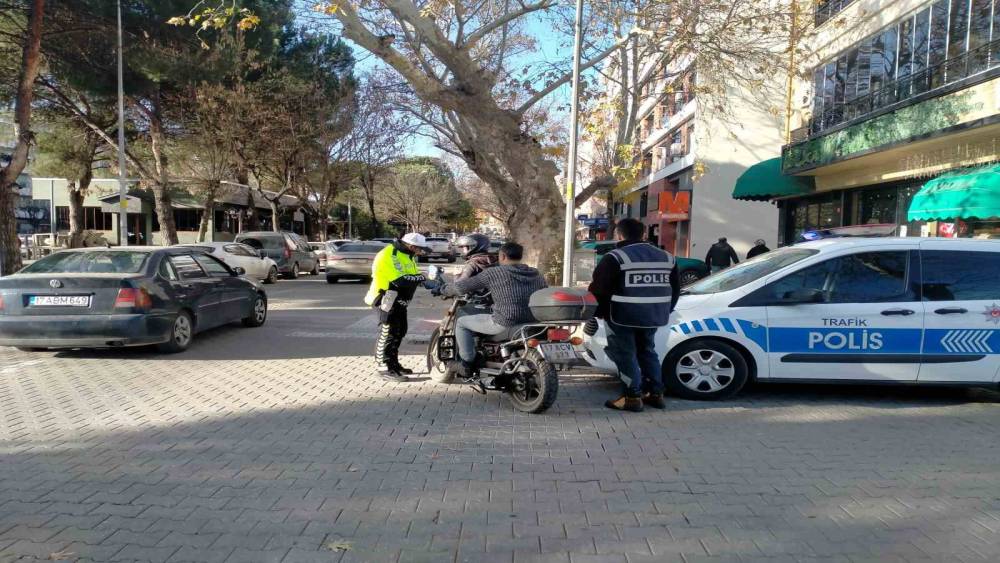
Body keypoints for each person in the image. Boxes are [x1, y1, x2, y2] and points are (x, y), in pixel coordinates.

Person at [589, 218, 679, 412]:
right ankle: (655, 394)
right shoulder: (667, 257)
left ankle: (632, 397)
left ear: (619, 235)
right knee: (647, 351)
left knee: (625, 354)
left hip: (622, 316)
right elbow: (675, 289)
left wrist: (599, 313)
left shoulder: (615, 257)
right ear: (643, 234)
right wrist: (664, 310)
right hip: (654, 316)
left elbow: (598, 289)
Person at [433, 242, 546, 377]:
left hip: (505, 322)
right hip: (532, 321)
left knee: (462, 322)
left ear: (502, 256)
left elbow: (461, 287)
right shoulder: (535, 273)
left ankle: (466, 363)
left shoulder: (494, 273)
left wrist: (442, 289)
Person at [364, 233, 431, 382]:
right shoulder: (389, 254)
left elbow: (412, 274)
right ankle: (384, 368)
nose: (420, 252)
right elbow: (401, 280)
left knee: (400, 331)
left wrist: (423, 280)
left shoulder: (407, 255)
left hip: (399, 300)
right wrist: (422, 278)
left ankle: (393, 363)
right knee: (389, 332)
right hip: (384, 298)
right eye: (419, 249)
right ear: (411, 246)